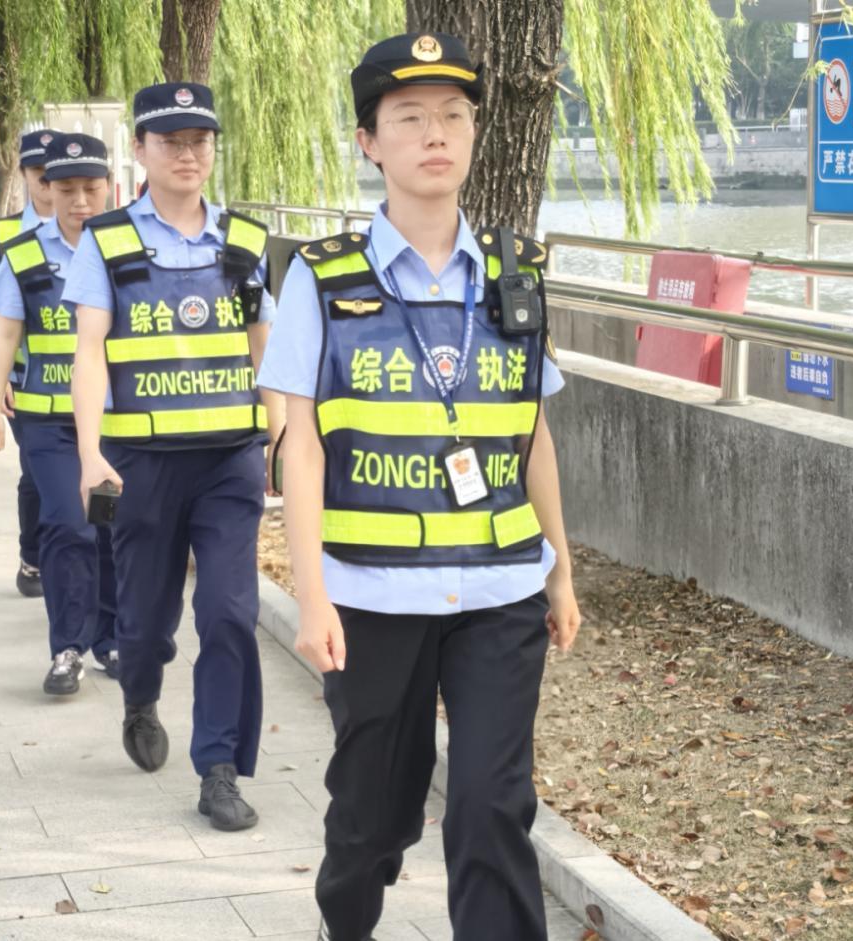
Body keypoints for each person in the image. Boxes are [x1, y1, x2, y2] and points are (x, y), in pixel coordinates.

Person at [257, 33, 583, 941]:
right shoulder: (322, 279)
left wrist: (561, 570)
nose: (434, 134)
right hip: (372, 596)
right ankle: (346, 925)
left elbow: (531, 433)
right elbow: (301, 448)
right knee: (373, 816)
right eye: (408, 118)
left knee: (491, 804)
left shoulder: (516, 276)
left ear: (475, 133)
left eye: (453, 115)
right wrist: (311, 595)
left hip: (500, 591)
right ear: (370, 141)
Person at [65, 82, 282, 831]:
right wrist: (89, 453)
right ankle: (140, 694)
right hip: (142, 464)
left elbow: (265, 349)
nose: (187, 154)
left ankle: (219, 768)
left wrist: (281, 438)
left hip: (229, 461)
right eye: (170, 141)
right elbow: (89, 351)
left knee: (228, 611)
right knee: (146, 618)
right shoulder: (107, 242)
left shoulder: (245, 243)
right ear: (140, 150)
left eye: (200, 140)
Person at [0, 133, 119, 692]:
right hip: (48, 421)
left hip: (117, 420)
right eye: (66, 190)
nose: (79, 201)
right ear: (47, 190)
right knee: (67, 524)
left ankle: (112, 639)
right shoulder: (23, 253)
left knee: (111, 529)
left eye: (90, 189)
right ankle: (68, 647)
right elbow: (4, 332)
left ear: (109, 187)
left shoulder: (130, 250)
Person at [0, 128, 60, 599]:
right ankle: (34, 557)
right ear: (24, 174)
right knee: (37, 470)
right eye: (37, 172)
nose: (46, 182)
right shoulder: (7, 235)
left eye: (52, 173)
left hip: (83, 380)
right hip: (27, 380)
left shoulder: (94, 229)